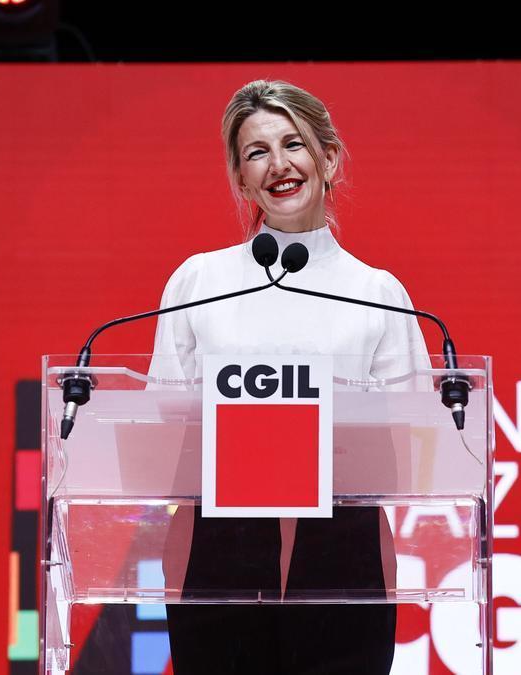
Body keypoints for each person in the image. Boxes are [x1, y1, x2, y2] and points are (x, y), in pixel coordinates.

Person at [150, 79, 430, 674]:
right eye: (257, 152)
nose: (279, 165)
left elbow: (411, 453)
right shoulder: (198, 282)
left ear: (328, 158)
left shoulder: (377, 292)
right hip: (219, 555)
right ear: (241, 178)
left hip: (343, 553)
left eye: (294, 144)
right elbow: (162, 435)